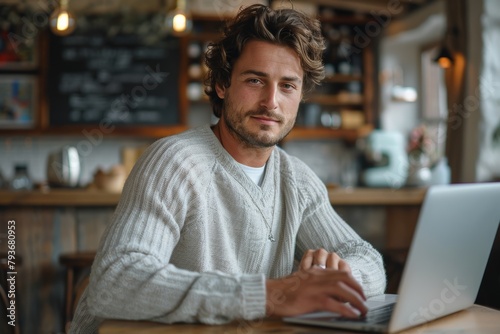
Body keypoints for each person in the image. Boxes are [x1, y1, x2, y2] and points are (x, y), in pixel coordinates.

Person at [70, 4, 386, 333]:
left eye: (288, 86)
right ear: (223, 84)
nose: (271, 102)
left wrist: (338, 275)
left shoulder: (297, 180)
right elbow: (116, 280)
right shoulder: (174, 162)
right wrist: (271, 295)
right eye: (255, 80)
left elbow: (366, 257)